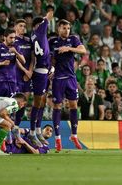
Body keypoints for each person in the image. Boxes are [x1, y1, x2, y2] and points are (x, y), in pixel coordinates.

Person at [49, 19, 87, 152]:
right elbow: (50, 59)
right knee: (57, 106)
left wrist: (69, 48)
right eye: (64, 28)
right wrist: (51, 69)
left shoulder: (73, 39)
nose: (66, 31)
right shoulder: (52, 41)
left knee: (73, 105)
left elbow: (83, 51)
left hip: (71, 78)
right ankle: (57, 139)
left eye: (68, 28)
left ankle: (74, 135)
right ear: (58, 28)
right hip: (58, 78)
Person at [29, 9, 54, 147]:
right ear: (36, 26)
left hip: (44, 71)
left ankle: (38, 130)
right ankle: (32, 133)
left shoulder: (34, 35)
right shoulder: (39, 31)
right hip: (39, 72)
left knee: (42, 102)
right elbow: (49, 15)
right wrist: (48, 13)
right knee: (37, 103)